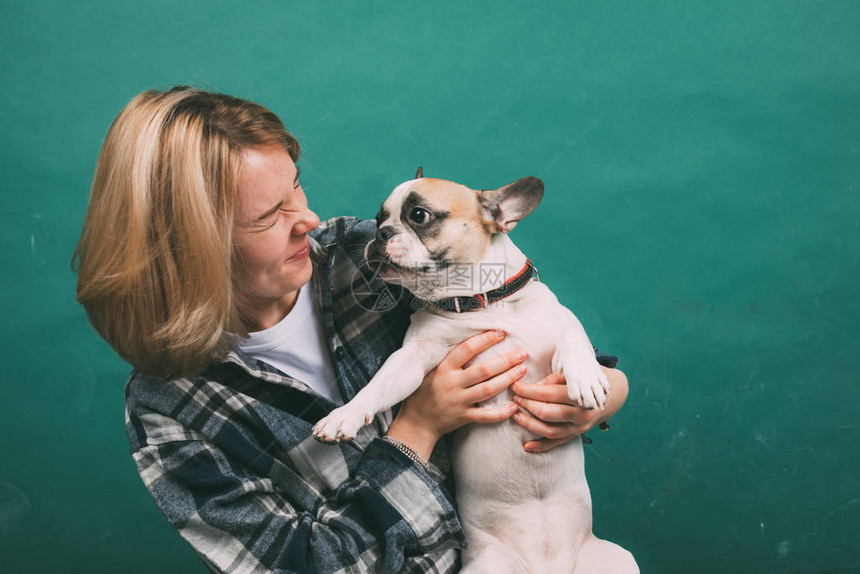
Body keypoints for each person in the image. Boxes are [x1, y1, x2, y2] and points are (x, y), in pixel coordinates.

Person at [73, 86, 629, 573]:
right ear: (189, 244)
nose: (308, 220)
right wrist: (418, 426)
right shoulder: (170, 410)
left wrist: (598, 398)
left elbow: (548, 334)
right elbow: (298, 565)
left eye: (298, 188)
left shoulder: (364, 256)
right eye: (271, 215)